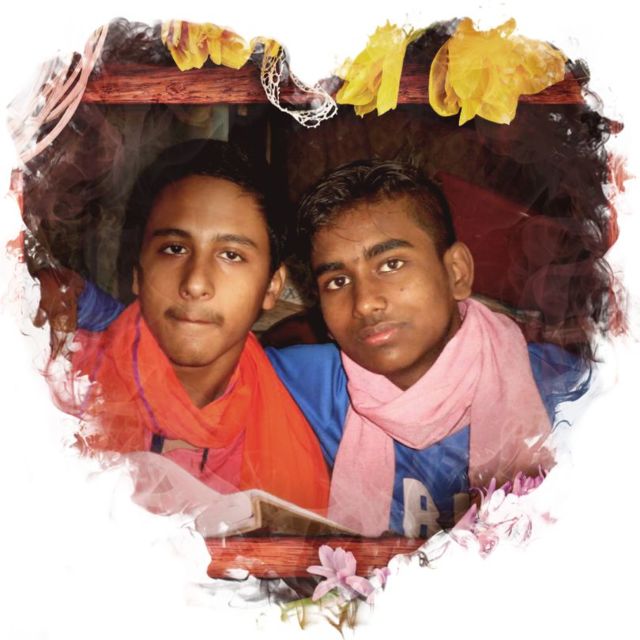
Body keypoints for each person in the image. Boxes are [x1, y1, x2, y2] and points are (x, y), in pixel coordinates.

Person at [67, 160, 587, 538]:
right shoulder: (313, 384)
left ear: (456, 272)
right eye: (337, 281)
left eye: (391, 265)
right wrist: (64, 293)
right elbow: (179, 340)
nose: (365, 302)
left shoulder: (567, 396)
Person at [47, 139, 330, 513]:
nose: (196, 283)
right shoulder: (54, 388)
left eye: (231, 255)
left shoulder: (290, 457)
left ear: (271, 287)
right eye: (174, 248)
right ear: (138, 273)